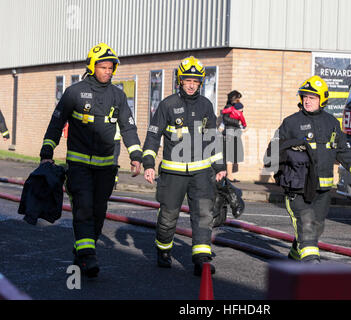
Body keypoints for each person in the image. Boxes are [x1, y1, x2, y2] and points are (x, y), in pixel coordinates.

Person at [39, 43, 142, 277]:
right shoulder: (74, 92)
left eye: (111, 67)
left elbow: (128, 127)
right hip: (79, 165)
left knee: (98, 211)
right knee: (83, 207)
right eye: (103, 67)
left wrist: (136, 157)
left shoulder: (118, 95)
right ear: (92, 67)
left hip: (107, 167)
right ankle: (88, 256)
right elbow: (56, 123)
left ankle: (83, 251)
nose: (107, 71)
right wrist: (47, 153)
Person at [268, 75, 351, 263]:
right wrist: (281, 174)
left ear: (322, 100)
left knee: (317, 225)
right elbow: (273, 151)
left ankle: (296, 256)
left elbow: (342, 150)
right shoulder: (291, 123)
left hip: (323, 189)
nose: (307, 100)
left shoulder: (332, 123)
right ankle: (311, 262)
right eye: (305, 96)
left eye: (312, 97)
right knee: (306, 223)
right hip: (298, 188)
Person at [142, 56, 226, 276]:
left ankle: (201, 258)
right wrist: (149, 163)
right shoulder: (167, 104)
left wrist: (220, 166)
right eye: (187, 80)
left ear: (201, 83)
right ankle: (163, 250)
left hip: (201, 173)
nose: (191, 84)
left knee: (203, 215)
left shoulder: (206, 106)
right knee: (168, 217)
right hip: (173, 173)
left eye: (196, 81)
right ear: (180, 80)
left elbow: (213, 139)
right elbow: (153, 136)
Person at [220, 90, 245, 182]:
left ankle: (228, 176)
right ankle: (229, 176)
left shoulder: (236, 107)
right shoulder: (228, 107)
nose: (238, 100)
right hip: (229, 132)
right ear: (232, 99)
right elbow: (226, 119)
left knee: (233, 155)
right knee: (229, 155)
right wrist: (237, 123)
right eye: (237, 98)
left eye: (239, 98)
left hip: (235, 132)